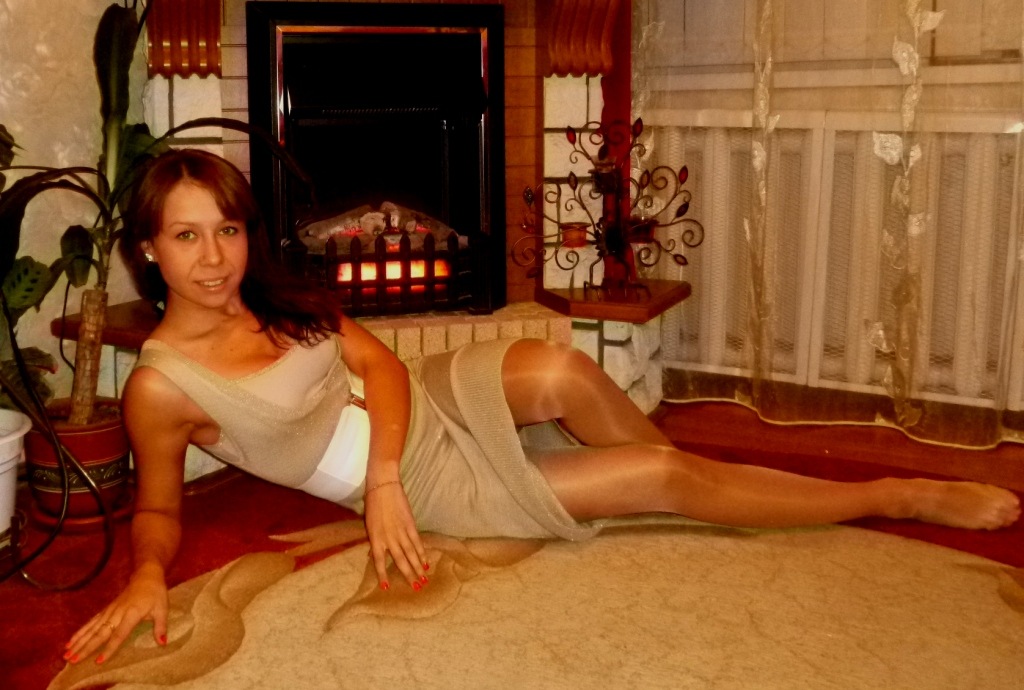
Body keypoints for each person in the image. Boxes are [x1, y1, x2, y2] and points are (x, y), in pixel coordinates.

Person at [64, 149, 1020, 666]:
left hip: (421, 411)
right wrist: (148, 575)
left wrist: (381, 472)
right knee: (659, 471)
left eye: (228, 229)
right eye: (186, 237)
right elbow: (159, 507)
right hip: (437, 484)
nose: (215, 257)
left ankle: (690, 493)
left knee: (560, 371)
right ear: (148, 249)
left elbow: (384, 369)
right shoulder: (162, 385)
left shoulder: (275, 296)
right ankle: (889, 495)